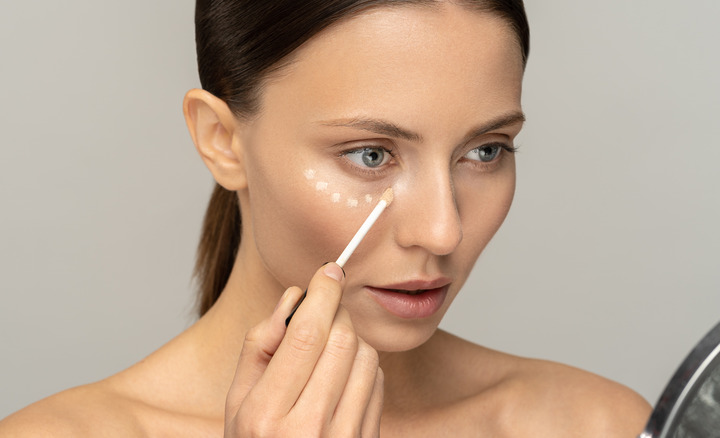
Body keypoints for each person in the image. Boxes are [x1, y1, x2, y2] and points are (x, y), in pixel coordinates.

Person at [0, 0, 651, 436]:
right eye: (371, 155)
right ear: (222, 140)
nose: (442, 230)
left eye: (485, 151)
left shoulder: (598, 425)